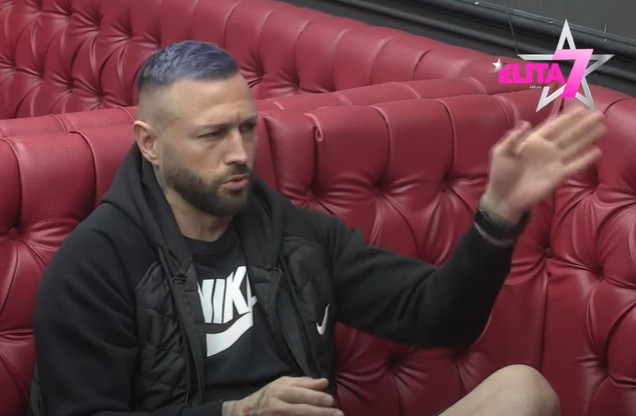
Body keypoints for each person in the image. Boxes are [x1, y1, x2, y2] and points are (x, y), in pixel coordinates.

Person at [30, 40, 605, 416]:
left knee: (522, 391)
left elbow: (438, 316)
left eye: (247, 128)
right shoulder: (95, 266)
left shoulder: (295, 235)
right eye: (212, 135)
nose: (239, 153)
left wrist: (497, 215)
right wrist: (237, 412)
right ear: (150, 144)